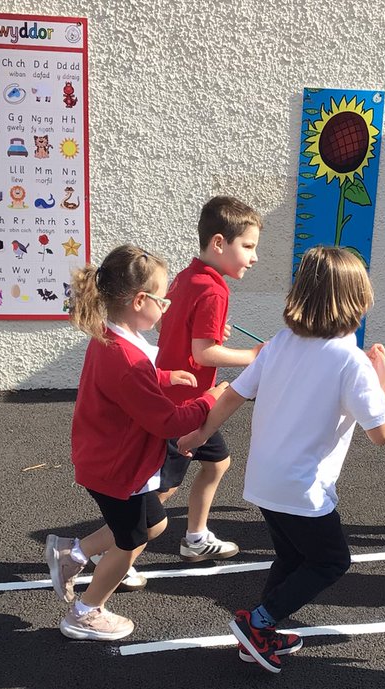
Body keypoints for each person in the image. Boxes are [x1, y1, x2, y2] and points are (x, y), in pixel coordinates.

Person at [178, 246, 385, 673]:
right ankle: (256, 621)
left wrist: (202, 432)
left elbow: (236, 393)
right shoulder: (351, 362)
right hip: (302, 488)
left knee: (293, 558)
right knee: (331, 561)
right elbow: (382, 434)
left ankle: (259, 633)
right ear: (357, 299)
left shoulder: (280, 343)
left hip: (264, 480)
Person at [46, 244, 222, 641]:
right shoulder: (128, 359)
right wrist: (210, 400)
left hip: (113, 460)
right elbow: (167, 422)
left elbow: (131, 385)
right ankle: (85, 611)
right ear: (140, 300)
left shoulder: (114, 340)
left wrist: (165, 379)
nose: (166, 307)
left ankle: (72, 554)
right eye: (162, 299)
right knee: (131, 540)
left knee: (155, 522)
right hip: (115, 469)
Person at [153, 196, 263, 567]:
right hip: (184, 403)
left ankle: (195, 538)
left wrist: (213, 332)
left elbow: (167, 324)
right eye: (247, 246)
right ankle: (109, 550)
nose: (254, 256)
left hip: (177, 394)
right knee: (163, 488)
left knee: (217, 463)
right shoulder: (216, 289)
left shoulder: (188, 275)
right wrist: (252, 356)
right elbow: (204, 354)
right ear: (219, 243)